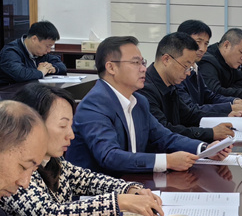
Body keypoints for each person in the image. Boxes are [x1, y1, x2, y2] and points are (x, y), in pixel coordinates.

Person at [0, 83, 165, 216]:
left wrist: (131, 189)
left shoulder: (53, 161)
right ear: (32, 125)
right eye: (63, 126)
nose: (71, 135)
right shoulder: (14, 168)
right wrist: (120, 202)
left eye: (70, 126)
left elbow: (89, 180)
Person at [67, 36, 231, 176]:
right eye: (135, 63)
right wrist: (167, 161)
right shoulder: (94, 105)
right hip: (97, 195)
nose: (143, 69)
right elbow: (110, 156)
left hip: (132, 185)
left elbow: (164, 137)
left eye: (143, 62)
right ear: (111, 67)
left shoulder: (139, 101)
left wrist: (205, 149)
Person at [142, 32, 239, 144]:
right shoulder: (145, 90)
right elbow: (164, 131)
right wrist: (210, 133)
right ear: (166, 60)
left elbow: (189, 115)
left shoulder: (170, 84)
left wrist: (226, 115)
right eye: (186, 66)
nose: (188, 73)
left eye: (191, 67)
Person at [176, 20, 242, 118]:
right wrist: (229, 108)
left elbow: (209, 96)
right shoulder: (177, 72)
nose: (202, 49)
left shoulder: (194, 68)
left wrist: (234, 101)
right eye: (198, 42)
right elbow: (189, 110)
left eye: (206, 44)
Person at [198, 28, 242, 103]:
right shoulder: (207, 62)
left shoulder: (230, 62)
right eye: (241, 52)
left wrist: (231, 90)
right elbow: (214, 93)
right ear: (226, 45)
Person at [0, 20, 67, 86]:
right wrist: (41, 72)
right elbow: (20, 75)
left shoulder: (40, 53)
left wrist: (53, 69)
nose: (49, 50)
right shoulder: (11, 51)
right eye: (47, 46)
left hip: (26, 92)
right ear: (34, 39)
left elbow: (61, 66)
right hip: (2, 94)